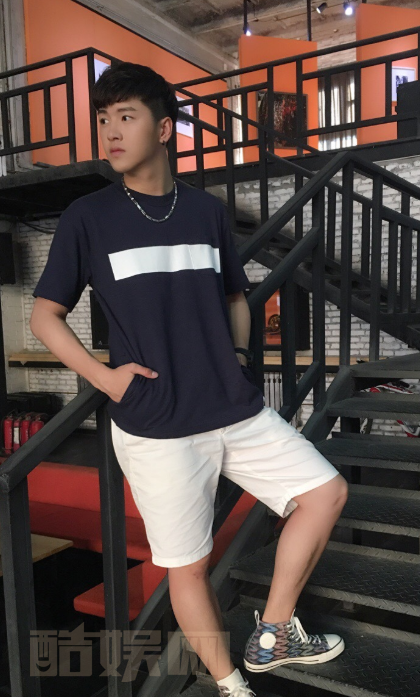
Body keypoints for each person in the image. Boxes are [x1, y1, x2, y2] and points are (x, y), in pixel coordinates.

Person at [29, 61, 348, 697]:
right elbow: (44, 316)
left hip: (232, 406)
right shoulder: (88, 217)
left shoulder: (204, 211)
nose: (111, 131)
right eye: (103, 119)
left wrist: (238, 356)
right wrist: (105, 380)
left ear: (163, 128)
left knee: (326, 492)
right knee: (189, 565)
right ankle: (232, 687)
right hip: (156, 423)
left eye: (126, 116)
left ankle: (274, 632)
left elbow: (235, 297)